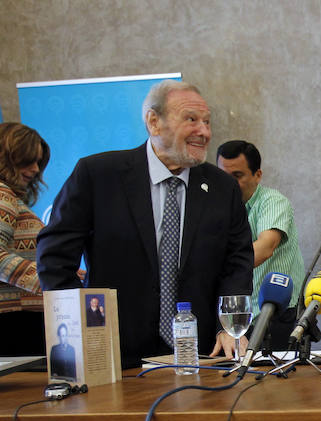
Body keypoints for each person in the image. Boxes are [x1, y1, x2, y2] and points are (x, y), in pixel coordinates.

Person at [36, 80, 253, 368]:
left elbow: (237, 262)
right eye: (191, 120)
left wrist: (229, 327)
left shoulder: (222, 188)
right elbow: (54, 258)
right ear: (154, 121)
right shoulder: (98, 175)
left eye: (207, 122)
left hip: (203, 356)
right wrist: (82, 326)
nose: (204, 132)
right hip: (115, 356)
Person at [216, 140, 305, 350]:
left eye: (237, 176)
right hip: (237, 317)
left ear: (258, 175)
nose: (229, 184)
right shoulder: (218, 207)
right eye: (223, 177)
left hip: (278, 313)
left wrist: (220, 272)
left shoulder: (272, 201)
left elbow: (265, 248)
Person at [0, 122, 50, 356]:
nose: (34, 169)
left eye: (38, 162)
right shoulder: (1, 193)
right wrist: (52, 279)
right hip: (14, 324)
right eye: (27, 161)